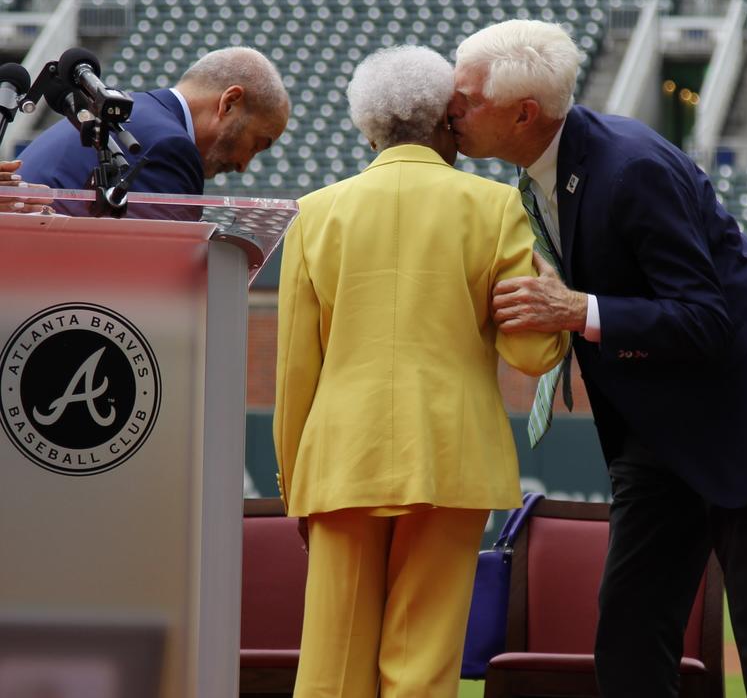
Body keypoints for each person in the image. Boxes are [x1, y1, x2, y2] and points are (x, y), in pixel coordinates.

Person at [449, 19, 747, 698]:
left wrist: (580, 311)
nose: (448, 108)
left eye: (465, 98)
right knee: (629, 633)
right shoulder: (541, 167)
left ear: (524, 114)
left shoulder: (630, 168)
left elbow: (704, 319)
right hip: (656, 426)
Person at [273, 45, 569, 698]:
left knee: (331, 665)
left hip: (341, 460)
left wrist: (297, 483)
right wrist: (558, 300)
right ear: (445, 121)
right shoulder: (496, 208)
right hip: (450, 455)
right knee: (423, 664)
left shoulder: (315, 212)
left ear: (368, 126)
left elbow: (296, 370)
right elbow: (531, 352)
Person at [15, 46, 289, 220]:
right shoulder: (168, 147)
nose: (243, 166)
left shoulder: (134, 116)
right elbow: (161, 279)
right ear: (229, 103)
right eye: (256, 145)